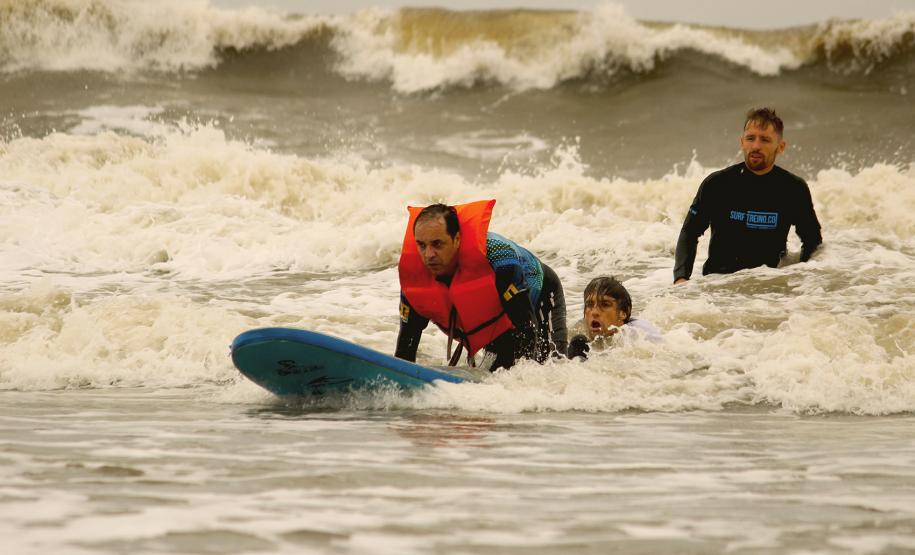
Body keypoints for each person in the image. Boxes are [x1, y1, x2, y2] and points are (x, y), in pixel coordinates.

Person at [395, 200, 567, 371]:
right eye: (421, 245)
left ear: (456, 239)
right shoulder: (414, 281)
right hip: (495, 314)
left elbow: (526, 331)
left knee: (550, 367)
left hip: (540, 295)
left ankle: (579, 351)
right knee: (493, 372)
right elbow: (404, 352)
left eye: (437, 244)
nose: (428, 255)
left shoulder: (499, 260)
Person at [673, 107, 822, 284]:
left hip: (771, 288)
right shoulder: (717, 184)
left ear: (780, 147)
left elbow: (812, 241)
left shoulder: (793, 189)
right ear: (742, 142)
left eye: (765, 140)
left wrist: (801, 280)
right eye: (750, 138)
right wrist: (681, 279)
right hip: (718, 286)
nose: (756, 146)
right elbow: (690, 232)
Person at [567, 276, 662, 360]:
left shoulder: (639, 335)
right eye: (589, 304)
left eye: (605, 304)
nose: (594, 312)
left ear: (623, 313)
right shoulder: (577, 330)